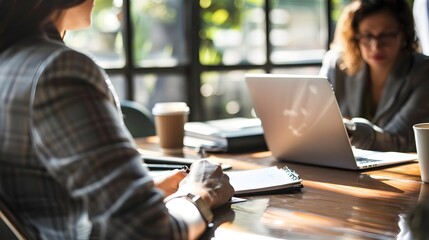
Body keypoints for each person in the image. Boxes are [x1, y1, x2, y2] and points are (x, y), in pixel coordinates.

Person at [0, 0, 234, 239]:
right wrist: (199, 194)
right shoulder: (56, 70)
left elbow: (44, 203)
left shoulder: (10, 66)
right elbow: (147, 232)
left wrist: (142, 192)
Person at [319, 0, 429, 152]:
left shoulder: (423, 71)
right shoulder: (337, 64)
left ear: (404, 34)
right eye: (367, 35)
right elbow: (314, 121)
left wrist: (351, 129)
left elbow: (402, 140)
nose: (375, 45)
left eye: (387, 35)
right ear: (355, 37)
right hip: (339, 165)